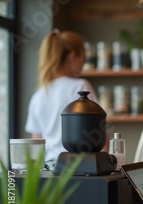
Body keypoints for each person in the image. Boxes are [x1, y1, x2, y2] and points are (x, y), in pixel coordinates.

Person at [25, 29, 98, 164]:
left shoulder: (38, 95)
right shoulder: (80, 87)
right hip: (80, 167)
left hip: (51, 170)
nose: (84, 63)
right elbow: (99, 130)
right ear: (73, 56)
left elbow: (37, 145)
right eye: (83, 57)